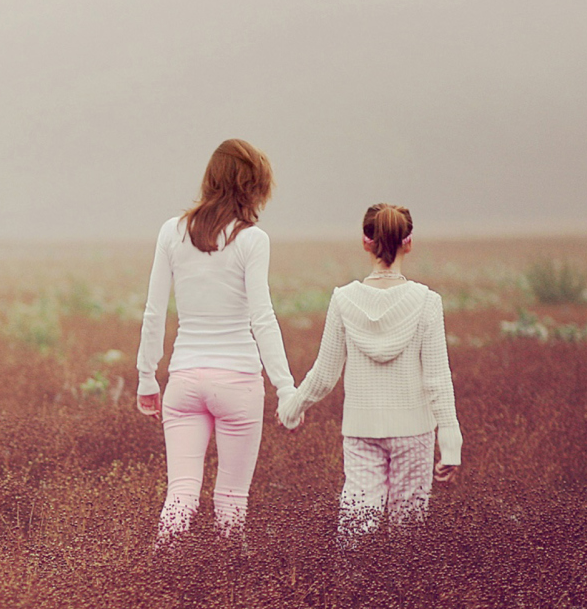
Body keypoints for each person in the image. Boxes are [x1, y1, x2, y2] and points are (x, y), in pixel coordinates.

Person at [136, 139, 296, 540]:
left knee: (180, 494)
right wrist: (285, 387)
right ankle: (230, 587)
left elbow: (154, 310)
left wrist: (146, 377)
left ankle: (160, 579)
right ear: (254, 185)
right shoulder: (252, 240)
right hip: (237, 381)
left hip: (184, 382)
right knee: (231, 498)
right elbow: (263, 317)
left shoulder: (172, 232)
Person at [276, 203, 461, 545]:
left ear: (366, 242)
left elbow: (325, 374)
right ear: (409, 242)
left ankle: (352, 594)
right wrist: (450, 445)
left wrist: (291, 407)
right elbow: (438, 378)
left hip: (360, 431)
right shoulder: (426, 302)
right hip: (414, 432)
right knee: (408, 537)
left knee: (356, 528)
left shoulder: (344, 300)